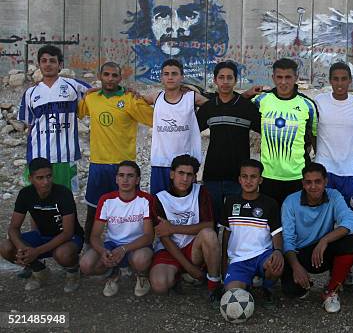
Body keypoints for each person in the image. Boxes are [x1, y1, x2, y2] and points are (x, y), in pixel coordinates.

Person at [78, 62, 153, 245]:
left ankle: (132, 252)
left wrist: (142, 96)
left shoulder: (130, 99)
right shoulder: (91, 98)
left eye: (114, 75)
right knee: (93, 212)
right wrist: (88, 92)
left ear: (120, 78)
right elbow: (76, 114)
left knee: (130, 214)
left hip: (124, 167)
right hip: (98, 164)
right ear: (100, 76)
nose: (110, 79)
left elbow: (157, 119)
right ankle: (90, 250)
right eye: (106, 74)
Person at [124, 0, 229, 84]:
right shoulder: (141, 81)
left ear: (206, 22)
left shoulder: (219, 78)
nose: (174, 26)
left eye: (188, 15)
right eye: (163, 15)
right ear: (148, 22)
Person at [281, 163, 353, 313]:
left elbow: (352, 222)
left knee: (351, 241)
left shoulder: (334, 196)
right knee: (292, 291)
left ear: (325, 182)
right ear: (303, 183)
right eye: (308, 182)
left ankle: (331, 290)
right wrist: (296, 267)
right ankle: (305, 281)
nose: (313, 186)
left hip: (323, 250)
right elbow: (288, 240)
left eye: (318, 181)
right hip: (300, 254)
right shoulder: (290, 202)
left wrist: (325, 240)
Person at [0, 158, 83, 292]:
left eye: (49, 176)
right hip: (42, 236)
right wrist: (22, 249)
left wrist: (36, 251)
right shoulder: (25, 194)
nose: (46, 182)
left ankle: (73, 272)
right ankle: (39, 271)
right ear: (30, 178)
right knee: (5, 247)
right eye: (40, 178)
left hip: (68, 239)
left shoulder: (63, 193)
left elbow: (68, 232)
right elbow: (13, 228)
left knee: (63, 254)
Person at [149, 154, 222, 302]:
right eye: (181, 173)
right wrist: (189, 267)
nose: (184, 179)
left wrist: (173, 228)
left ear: (194, 177)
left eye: (189, 174)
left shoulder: (201, 192)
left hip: (193, 248)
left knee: (209, 234)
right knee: (159, 286)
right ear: (172, 174)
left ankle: (213, 285)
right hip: (170, 249)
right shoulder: (160, 198)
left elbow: (209, 225)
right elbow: (164, 236)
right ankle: (183, 275)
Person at [18, 45, 91, 191]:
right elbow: (30, 126)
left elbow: (99, 95)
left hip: (65, 155)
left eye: (52, 60)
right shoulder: (30, 93)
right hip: (38, 157)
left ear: (60, 65)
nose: (48, 64)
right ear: (39, 65)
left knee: (65, 201)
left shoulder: (73, 86)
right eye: (44, 61)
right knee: (37, 203)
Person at [196, 61, 261, 224]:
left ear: (236, 80)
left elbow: (266, 132)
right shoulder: (209, 108)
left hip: (239, 178)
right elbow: (189, 132)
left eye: (229, 78)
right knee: (212, 222)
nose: (225, 82)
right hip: (212, 175)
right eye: (221, 78)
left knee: (236, 223)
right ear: (215, 80)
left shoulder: (247, 107)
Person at [79, 161, 155, 297]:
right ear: (116, 179)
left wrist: (124, 249)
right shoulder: (106, 200)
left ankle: (141, 275)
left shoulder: (146, 200)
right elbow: (95, 235)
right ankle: (114, 273)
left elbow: (149, 236)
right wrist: (103, 251)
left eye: (130, 176)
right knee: (85, 264)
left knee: (141, 259)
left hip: (137, 245)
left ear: (137, 180)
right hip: (112, 244)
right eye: (121, 175)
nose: (125, 179)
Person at [253, 58, 318, 206]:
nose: (283, 82)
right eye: (279, 77)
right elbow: (237, 107)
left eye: (288, 77)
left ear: (296, 78)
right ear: (273, 78)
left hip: (298, 177)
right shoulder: (260, 100)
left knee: (295, 223)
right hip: (267, 175)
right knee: (271, 224)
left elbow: (314, 137)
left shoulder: (307, 105)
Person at [220, 159, 283, 305]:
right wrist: (224, 264)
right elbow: (226, 233)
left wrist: (278, 251)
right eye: (245, 176)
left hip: (262, 255)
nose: (249, 181)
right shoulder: (230, 202)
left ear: (260, 179)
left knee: (276, 266)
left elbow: (276, 233)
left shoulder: (270, 203)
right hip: (238, 260)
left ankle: (266, 287)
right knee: (232, 296)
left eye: (253, 177)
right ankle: (249, 281)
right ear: (239, 179)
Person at [145, 59, 209, 194]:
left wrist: (194, 88)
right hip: (160, 163)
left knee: (183, 207)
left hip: (185, 165)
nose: (170, 77)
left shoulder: (192, 98)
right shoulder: (155, 97)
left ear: (182, 77)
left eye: (174, 74)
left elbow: (217, 106)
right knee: (159, 206)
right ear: (161, 77)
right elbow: (129, 99)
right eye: (166, 74)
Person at [314, 62, 353, 205]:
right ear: (330, 80)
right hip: (324, 169)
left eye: (344, 79)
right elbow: (312, 131)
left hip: (348, 170)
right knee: (324, 214)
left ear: (350, 80)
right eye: (336, 79)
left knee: (350, 213)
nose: (340, 83)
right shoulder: (319, 101)